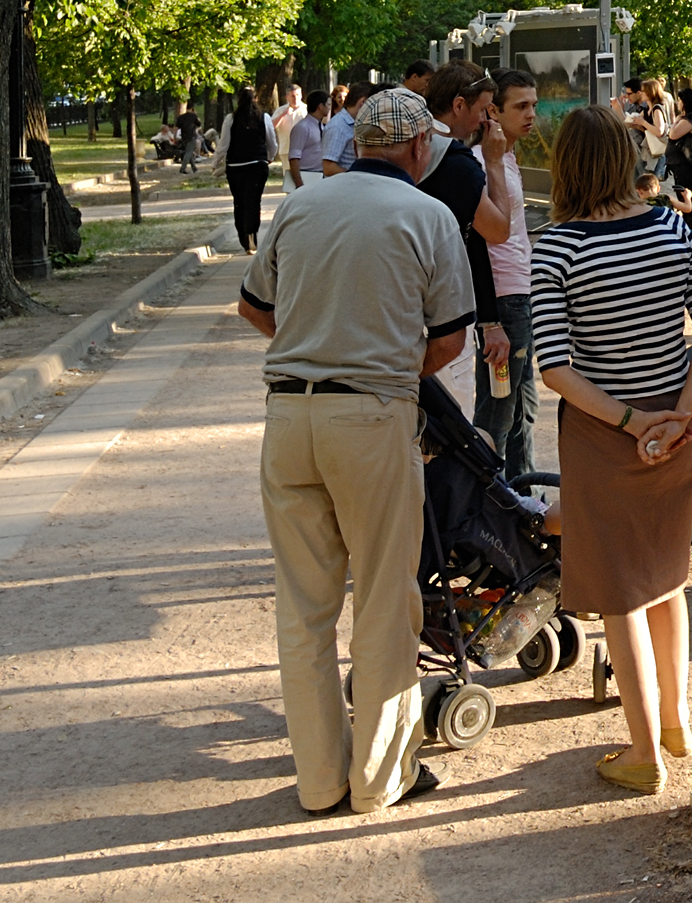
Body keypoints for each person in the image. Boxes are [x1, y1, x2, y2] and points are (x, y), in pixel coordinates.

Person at [237, 88, 471, 817]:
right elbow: (451, 337)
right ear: (417, 149)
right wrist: (383, 368)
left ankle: (319, 778)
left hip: (290, 414)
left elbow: (255, 304)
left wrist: (315, 347)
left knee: (303, 607)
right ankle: (379, 775)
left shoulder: (303, 203)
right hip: (370, 415)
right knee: (381, 598)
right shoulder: (429, 215)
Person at [532, 105, 692, 795]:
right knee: (667, 576)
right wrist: (679, 413)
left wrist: (629, 419)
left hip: (603, 437)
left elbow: (553, 365)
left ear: (566, 168)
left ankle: (644, 751)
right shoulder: (670, 226)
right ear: (623, 161)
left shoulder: (556, 247)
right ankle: (676, 721)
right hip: (673, 435)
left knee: (621, 592)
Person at [416, 61, 515, 405]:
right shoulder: (455, 162)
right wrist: (494, 161)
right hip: (443, 315)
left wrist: (489, 320)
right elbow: (497, 230)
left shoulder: (412, 151)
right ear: (459, 105)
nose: (487, 121)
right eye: (484, 109)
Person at [474, 69, 541, 479]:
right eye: (521, 106)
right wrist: (491, 318)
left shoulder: (504, 157)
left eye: (534, 105)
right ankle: (490, 507)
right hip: (503, 298)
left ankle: (521, 495)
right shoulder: (485, 162)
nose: (531, 114)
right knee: (498, 412)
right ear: (493, 110)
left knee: (521, 408)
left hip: (519, 294)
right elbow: (481, 239)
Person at [211, 86, 277, 253]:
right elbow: (272, 142)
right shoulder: (264, 117)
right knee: (255, 201)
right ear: (255, 99)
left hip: (236, 167)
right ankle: (252, 234)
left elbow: (223, 144)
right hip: (257, 164)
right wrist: (269, 156)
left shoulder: (231, 119)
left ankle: (243, 234)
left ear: (238, 100)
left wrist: (215, 162)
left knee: (239, 202)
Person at [321, 81, 377, 177]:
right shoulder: (338, 126)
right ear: (362, 102)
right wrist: (357, 177)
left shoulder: (353, 123)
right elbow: (328, 168)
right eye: (374, 105)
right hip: (341, 188)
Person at [664, 87, 692, 228]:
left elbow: (673, 134)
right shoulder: (688, 117)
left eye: (679, 100)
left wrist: (677, 121)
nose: (677, 103)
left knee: (689, 197)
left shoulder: (691, 117)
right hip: (679, 166)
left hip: (686, 167)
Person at [286, 95, 331, 189]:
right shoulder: (302, 127)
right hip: (306, 175)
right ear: (320, 106)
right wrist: (299, 184)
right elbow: (294, 157)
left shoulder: (322, 126)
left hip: (320, 176)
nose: (330, 108)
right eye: (328, 104)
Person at [271, 84, 307, 164]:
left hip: (303, 150)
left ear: (301, 95)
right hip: (286, 150)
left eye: (297, 95)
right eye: (293, 96)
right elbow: (271, 126)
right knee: (287, 175)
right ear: (287, 97)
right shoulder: (280, 110)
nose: (295, 98)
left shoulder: (307, 110)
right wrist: (283, 115)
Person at [175, 102, 203, 173]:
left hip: (184, 137)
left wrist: (174, 136)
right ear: (192, 108)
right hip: (192, 136)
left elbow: (176, 127)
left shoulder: (181, 117)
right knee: (189, 152)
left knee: (188, 152)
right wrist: (196, 115)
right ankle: (183, 168)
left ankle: (194, 168)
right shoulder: (193, 116)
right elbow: (199, 124)